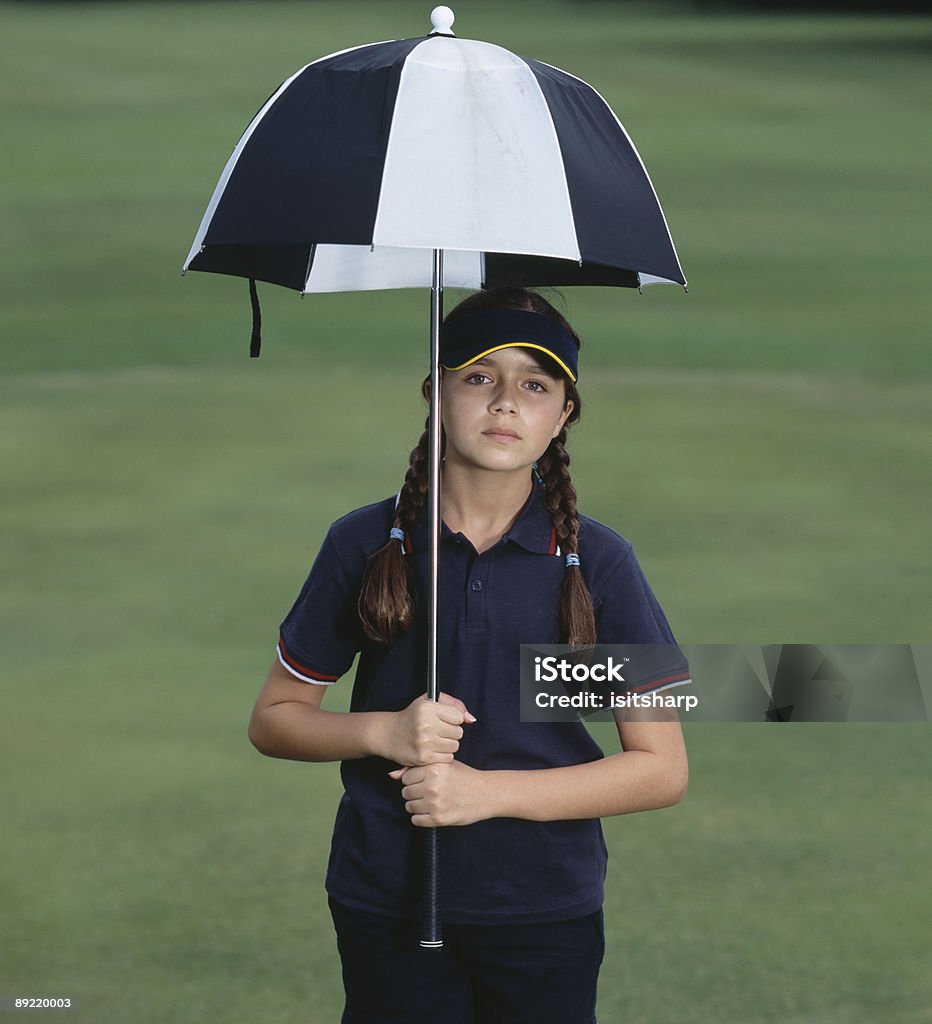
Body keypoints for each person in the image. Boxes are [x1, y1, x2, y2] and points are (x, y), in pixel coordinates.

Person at [248, 287, 691, 1024]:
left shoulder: (596, 562)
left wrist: (488, 795)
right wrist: (382, 732)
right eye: (479, 376)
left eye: (535, 385)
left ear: (564, 414)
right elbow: (275, 719)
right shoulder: (364, 543)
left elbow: (660, 769)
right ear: (435, 391)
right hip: (386, 892)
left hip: (544, 906)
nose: (505, 403)